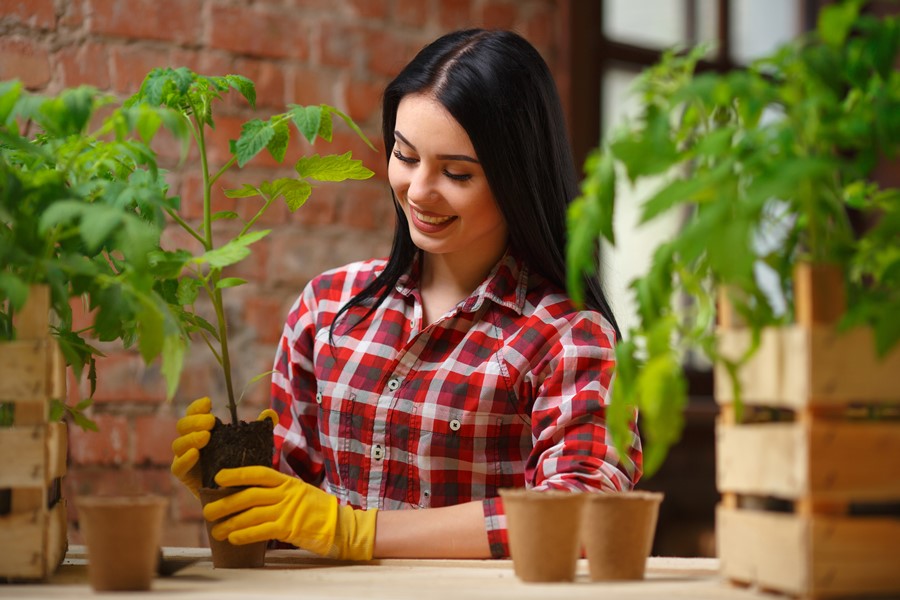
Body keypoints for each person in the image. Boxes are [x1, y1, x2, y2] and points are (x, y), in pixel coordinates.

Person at [171, 28, 642, 561]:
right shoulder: (328, 308)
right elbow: (293, 515)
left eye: (456, 173)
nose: (418, 191)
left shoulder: (568, 338)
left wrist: (358, 532)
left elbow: (584, 515)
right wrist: (227, 484)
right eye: (405, 155)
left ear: (517, 177)